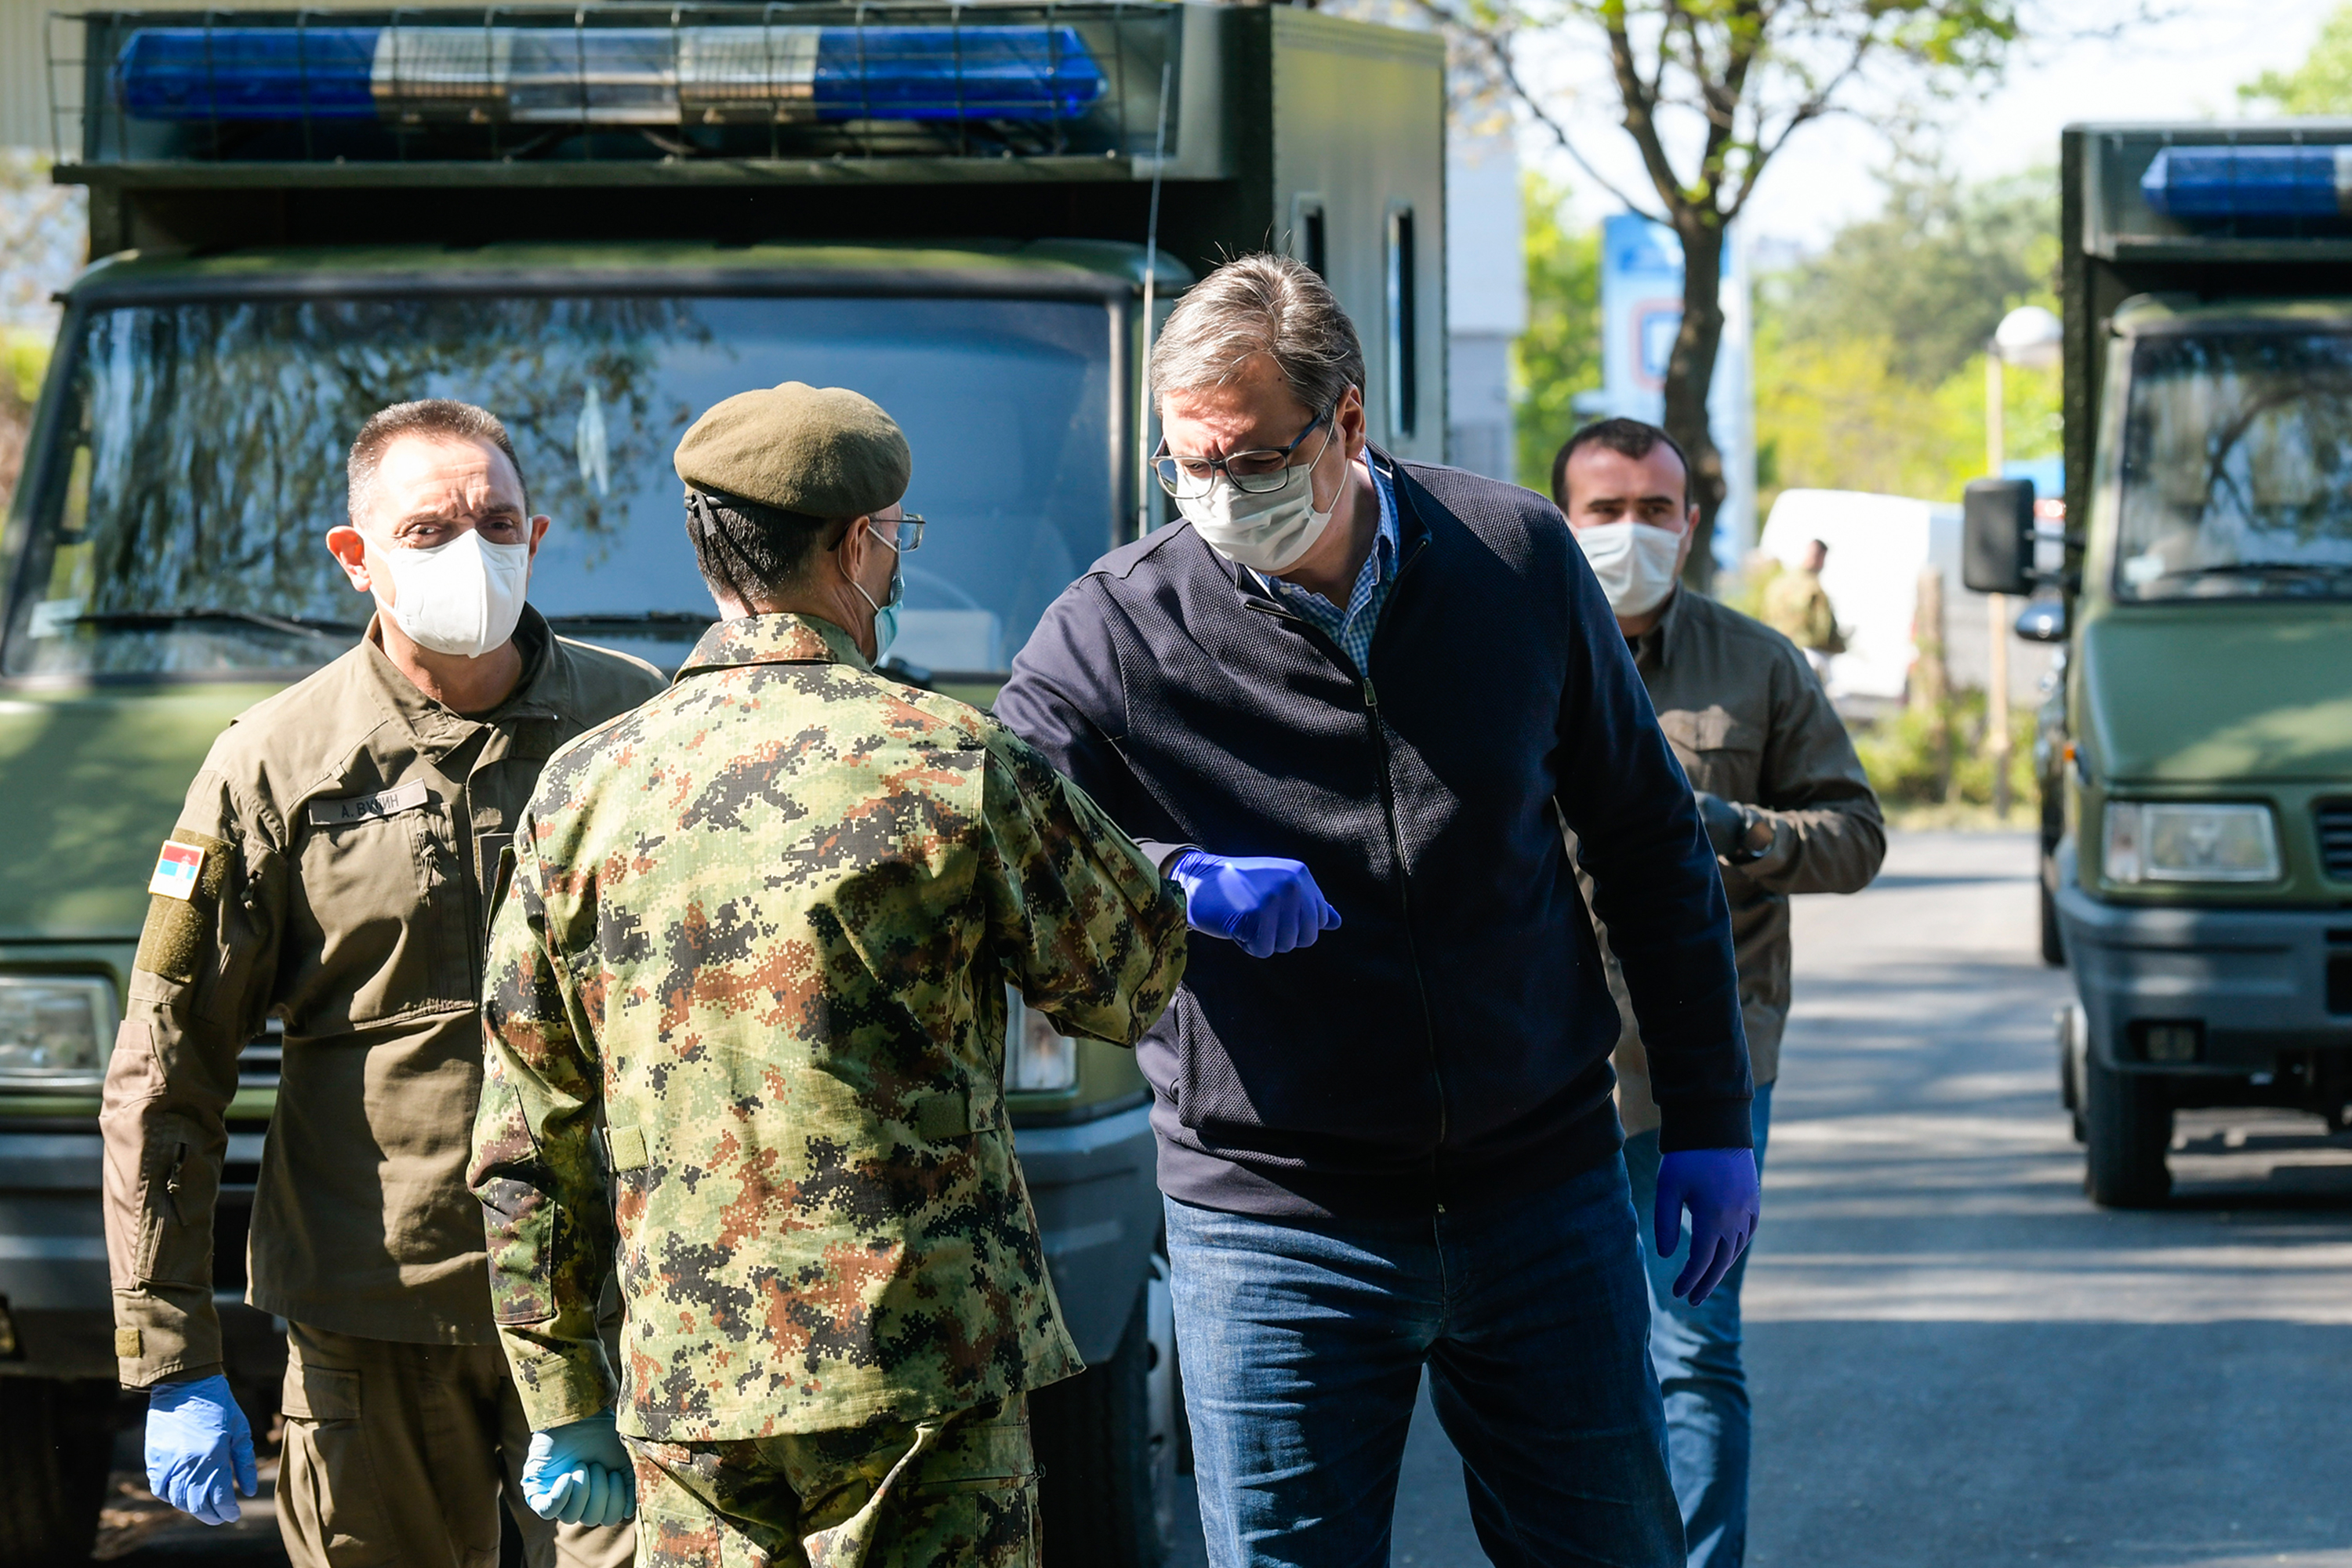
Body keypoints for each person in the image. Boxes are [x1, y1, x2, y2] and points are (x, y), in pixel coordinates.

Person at [993, 254, 1760, 1567]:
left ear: (1348, 422)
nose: (1218, 499)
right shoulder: (1115, 630)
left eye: (1251, 462)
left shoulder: (1513, 559)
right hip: (1276, 1220)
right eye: (1188, 467)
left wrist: (1706, 1116)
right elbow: (1007, 835)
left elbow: (1647, 841)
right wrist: (1171, 877)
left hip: (1543, 1193)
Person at [467, 382, 1190, 1567]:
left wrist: (560, 1396)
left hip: (689, 1386)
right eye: (895, 537)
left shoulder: (582, 790)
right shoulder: (952, 758)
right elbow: (1129, 974)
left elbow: (521, 1134)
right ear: (857, 542)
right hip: (924, 1373)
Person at [105, 399, 659, 1566]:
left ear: (538, 536)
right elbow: (168, 1069)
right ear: (355, 558)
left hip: (621, 1312)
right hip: (375, 1313)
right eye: (429, 530)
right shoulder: (275, 763)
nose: (473, 551)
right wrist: (172, 1352)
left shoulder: (637, 727)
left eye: (496, 521)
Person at [1554, 418, 1885, 1567]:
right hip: (1540, 1068)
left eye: (1656, 510)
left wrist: (1734, 829)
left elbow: (1856, 838)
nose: (1633, 533)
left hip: (1706, 1074)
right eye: (1606, 511)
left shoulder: (1756, 665)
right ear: (1563, 523)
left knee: (1692, 1349)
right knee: (1558, 1358)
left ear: (1690, 525)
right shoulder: (1508, 655)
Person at [1760, 536, 1846, 681]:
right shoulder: (1811, 587)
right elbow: (1822, 628)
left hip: (1777, 648)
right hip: (1806, 651)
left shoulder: (1779, 583)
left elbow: (1765, 617)